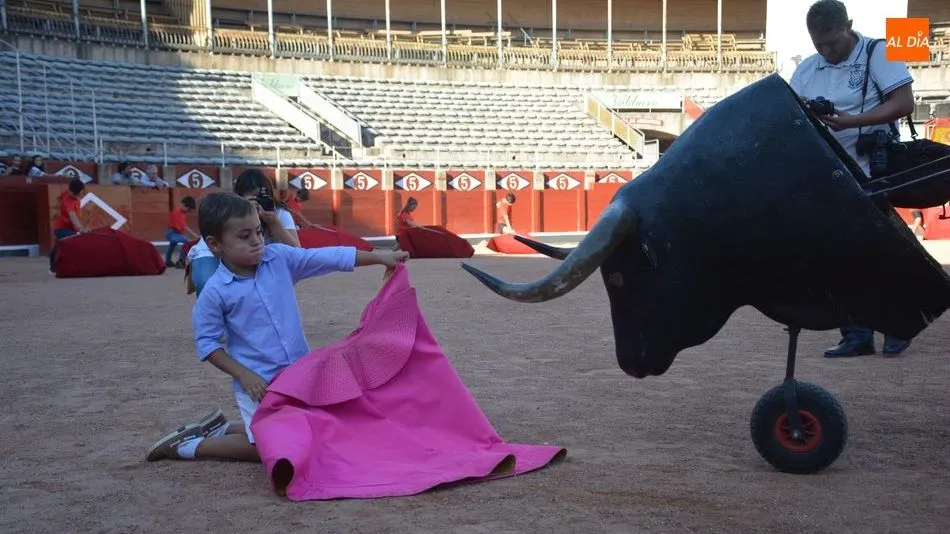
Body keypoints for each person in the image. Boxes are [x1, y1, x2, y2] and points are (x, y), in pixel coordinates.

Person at [145, 192, 410, 462]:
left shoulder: (279, 258)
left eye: (259, 232)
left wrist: (379, 257)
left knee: (315, 429)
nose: (257, 242)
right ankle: (189, 447)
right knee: (268, 449)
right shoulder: (214, 292)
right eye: (244, 236)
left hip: (298, 375)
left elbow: (329, 257)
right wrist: (244, 375)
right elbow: (208, 344)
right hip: (258, 385)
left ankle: (223, 428)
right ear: (215, 244)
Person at [789, 0, 915, 358]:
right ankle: (857, 334)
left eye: (834, 42)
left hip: (874, 166)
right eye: (820, 45)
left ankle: (898, 325)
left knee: (879, 248)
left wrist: (850, 121)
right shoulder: (806, 72)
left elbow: (904, 102)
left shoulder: (879, 51)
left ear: (850, 26)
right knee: (838, 253)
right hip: (828, 171)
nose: (827, 51)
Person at [187, 168, 300, 297]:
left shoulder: (278, 213)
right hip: (219, 254)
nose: (256, 203)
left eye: (260, 197)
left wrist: (273, 222)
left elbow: (297, 253)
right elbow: (212, 247)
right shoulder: (229, 210)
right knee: (208, 283)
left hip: (251, 258)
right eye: (251, 199)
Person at [49, 178, 91, 274]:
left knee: (58, 246)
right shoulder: (68, 202)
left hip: (63, 228)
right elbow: (73, 216)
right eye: (81, 192)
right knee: (74, 243)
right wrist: (81, 228)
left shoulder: (67, 193)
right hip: (62, 229)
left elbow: (58, 197)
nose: (82, 194)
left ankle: (53, 268)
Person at [165, 196, 198, 268]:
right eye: (188, 208)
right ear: (183, 204)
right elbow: (184, 226)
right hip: (171, 233)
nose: (188, 211)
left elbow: (182, 227)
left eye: (189, 210)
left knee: (172, 245)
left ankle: (167, 261)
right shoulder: (177, 213)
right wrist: (195, 235)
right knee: (187, 241)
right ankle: (181, 261)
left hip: (174, 233)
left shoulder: (182, 214)